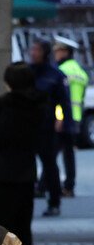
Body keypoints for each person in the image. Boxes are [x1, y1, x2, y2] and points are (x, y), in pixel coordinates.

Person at [0, 63, 46, 245]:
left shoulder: (9, 106)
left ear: (9, 82)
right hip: (27, 173)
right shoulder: (38, 104)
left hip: (6, 175)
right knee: (23, 230)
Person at [28, 38, 69, 218]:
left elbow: (64, 102)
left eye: (37, 50)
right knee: (27, 165)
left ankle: (54, 201)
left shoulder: (55, 74)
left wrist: (61, 120)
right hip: (28, 126)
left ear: (44, 53)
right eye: (32, 50)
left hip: (47, 127)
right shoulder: (28, 72)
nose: (33, 53)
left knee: (50, 164)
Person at [52, 36, 87, 197]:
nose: (55, 54)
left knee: (51, 153)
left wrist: (59, 117)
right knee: (68, 154)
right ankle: (69, 186)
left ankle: (45, 186)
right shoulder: (80, 72)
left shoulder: (62, 71)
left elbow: (62, 98)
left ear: (65, 52)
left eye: (58, 51)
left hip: (62, 118)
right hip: (76, 117)